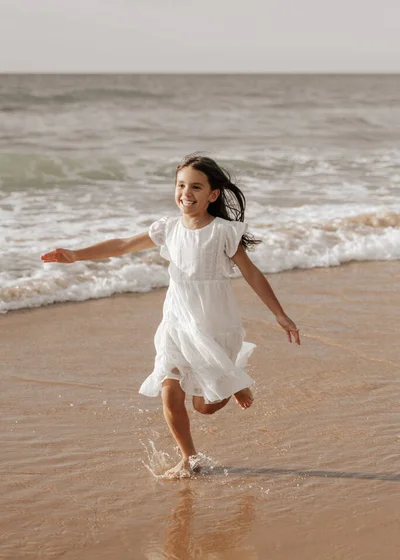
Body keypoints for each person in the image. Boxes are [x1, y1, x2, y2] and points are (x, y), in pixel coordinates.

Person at [41, 153, 300, 478]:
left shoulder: (222, 232)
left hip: (214, 324)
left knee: (204, 407)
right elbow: (122, 245)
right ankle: (189, 458)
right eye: (180, 185)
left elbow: (252, 274)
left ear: (213, 194)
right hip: (177, 321)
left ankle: (234, 381)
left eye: (195, 186)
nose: (185, 193)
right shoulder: (168, 228)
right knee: (170, 388)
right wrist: (76, 255)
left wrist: (280, 315)